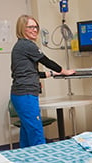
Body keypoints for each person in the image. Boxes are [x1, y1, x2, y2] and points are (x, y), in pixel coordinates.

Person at [10, 14, 75, 148]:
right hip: (26, 95)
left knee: (27, 132)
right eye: (31, 27)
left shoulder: (19, 46)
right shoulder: (27, 45)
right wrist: (64, 71)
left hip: (20, 94)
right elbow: (46, 61)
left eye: (36, 27)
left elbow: (29, 73)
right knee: (36, 132)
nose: (35, 30)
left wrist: (51, 74)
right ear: (22, 28)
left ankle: (26, 162)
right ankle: (42, 162)